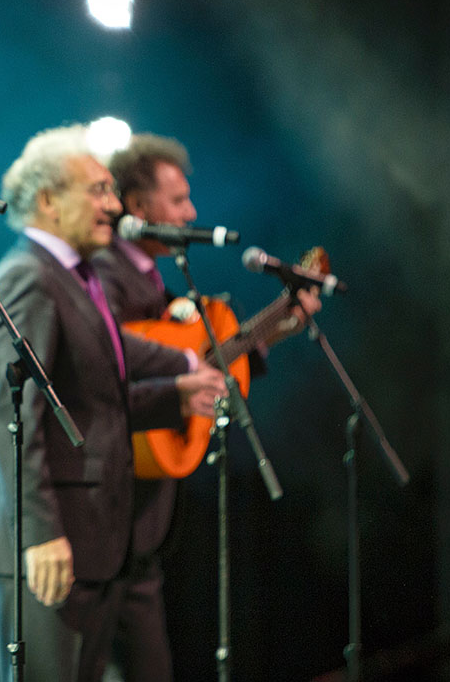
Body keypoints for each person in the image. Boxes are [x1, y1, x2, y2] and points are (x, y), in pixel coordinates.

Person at [0, 125, 226, 682]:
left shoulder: (74, 276)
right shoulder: (28, 277)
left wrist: (181, 384)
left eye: (112, 190)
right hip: (50, 543)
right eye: (98, 191)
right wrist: (39, 533)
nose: (113, 206)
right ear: (47, 200)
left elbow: (97, 395)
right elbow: (14, 417)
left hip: (92, 542)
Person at [93, 132, 319, 681]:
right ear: (138, 206)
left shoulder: (150, 277)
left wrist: (275, 328)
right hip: (100, 513)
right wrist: (180, 386)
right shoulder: (99, 274)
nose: (192, 213)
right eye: (178, 201)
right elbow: (107, 374)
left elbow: (198, 359)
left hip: (143, 526)